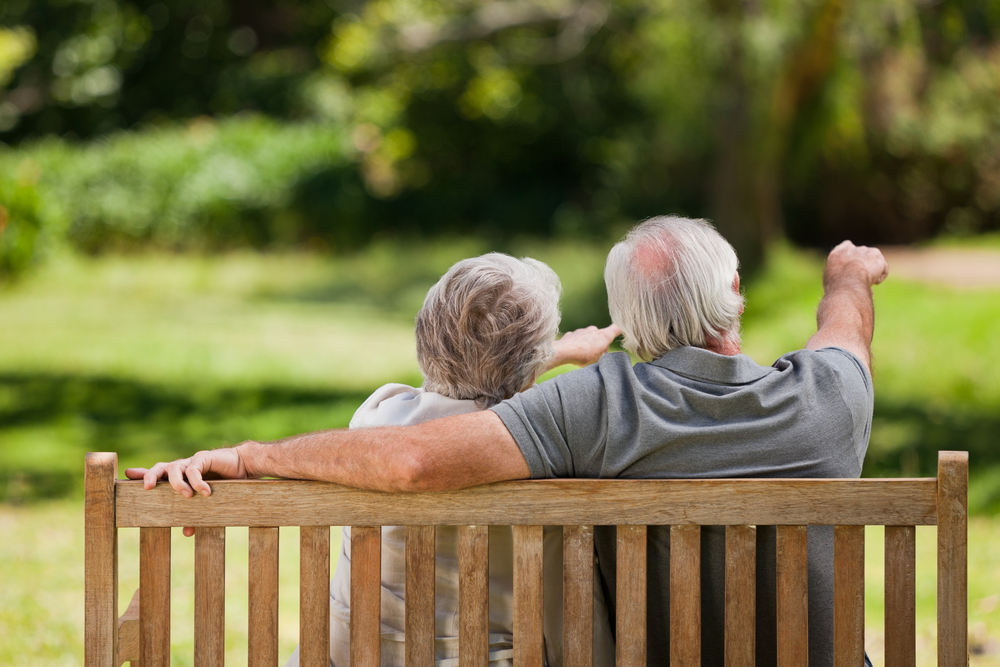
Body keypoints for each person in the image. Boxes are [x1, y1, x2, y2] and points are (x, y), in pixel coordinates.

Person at [129, 216, 889, 667]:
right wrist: (846, 277)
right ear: (736, 298)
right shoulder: (832, 396)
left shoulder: (597, 405)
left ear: (631, 317)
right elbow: (844, 332)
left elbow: (415, 453)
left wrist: (255, 454)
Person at [280, 252, 616, 667]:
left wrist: (553, 353)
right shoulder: (548, 449)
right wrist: (551, 355)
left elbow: (470, 393)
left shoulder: (375, 420)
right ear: (530, 372)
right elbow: (505, 405)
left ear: (425, 338)